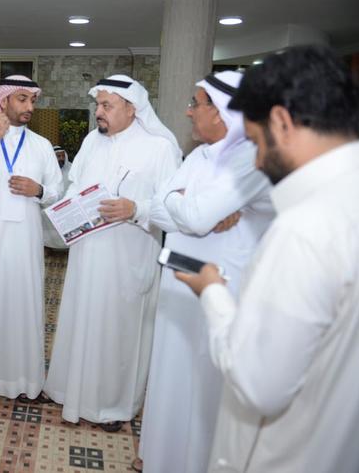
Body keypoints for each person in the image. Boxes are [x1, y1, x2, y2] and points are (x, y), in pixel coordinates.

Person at [175, 45, 359, 473]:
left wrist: (213, 293)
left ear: (281, 122)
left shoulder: (306, 228)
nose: (257, 161)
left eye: (256, 142)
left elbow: (259, 385)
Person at [138, 71, 274, 473]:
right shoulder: (198, 156)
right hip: (179, 284)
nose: (188, 111)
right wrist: (187, 205)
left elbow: (193, 216)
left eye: (196, 103)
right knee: (172, 375)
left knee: (207, 382)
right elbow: (160, 209)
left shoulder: (251, 157)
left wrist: (183, 204)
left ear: (222, 111)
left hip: (222, 290)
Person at [44, 75, 180, 430]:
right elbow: (74, 185)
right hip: (87, 253)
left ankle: (112, 406)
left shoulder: (160, 148)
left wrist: (136, 209)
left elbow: (172, 208)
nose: (99, 112)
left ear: (132, 109)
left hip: (129, 256)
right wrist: (67, 208)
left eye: (107, 105)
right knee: (81, 319)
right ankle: (70, 392)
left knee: (118, 330)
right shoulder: (92, 140)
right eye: (98, 105)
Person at [0, 75, 63, 405]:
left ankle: (26, 382)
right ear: (3, 101)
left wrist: (39, 190)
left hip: (27, 242)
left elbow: (58, 190)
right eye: (22, 98)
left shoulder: (42, 145)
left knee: (25, 306)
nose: (30, 106)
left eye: (33, 100)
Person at [42, 145, 72, 249]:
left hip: (67, 206)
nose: (61, 159)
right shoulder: (46, 171)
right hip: (49, 205)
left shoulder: (72, 169)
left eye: (63, 156)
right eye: (58, 156)